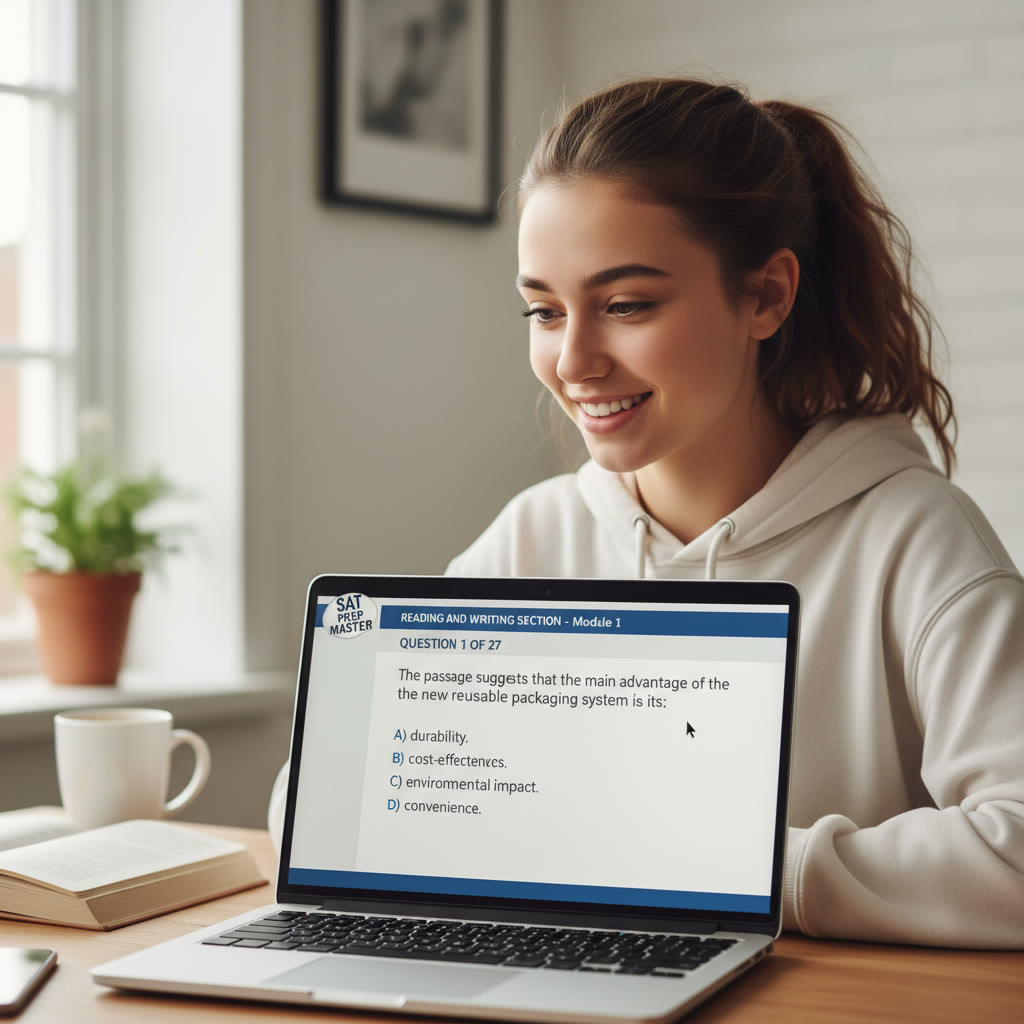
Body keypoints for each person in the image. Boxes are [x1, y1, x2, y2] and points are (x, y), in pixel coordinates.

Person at [270, 77, 1024, 948]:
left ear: (768, 297)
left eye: (627, 305)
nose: (574, 360)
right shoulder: (534, 534)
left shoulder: (914, 540)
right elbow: (309, 812)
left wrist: (726, 868)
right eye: (544, 311)